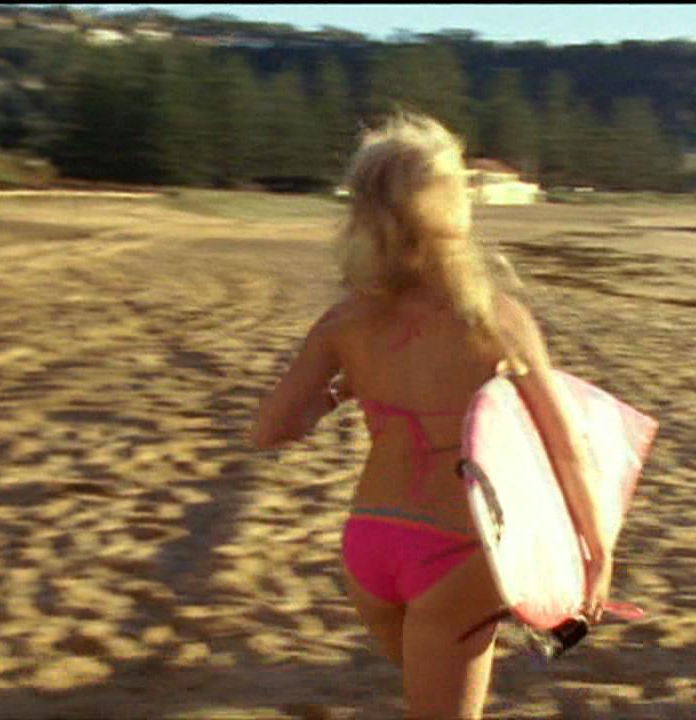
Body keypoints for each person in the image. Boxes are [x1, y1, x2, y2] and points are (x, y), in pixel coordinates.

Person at [251, 113, 613, 719]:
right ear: (451, 205)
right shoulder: (496, 318)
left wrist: (340, 394)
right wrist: (598, 554)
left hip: (369, 546)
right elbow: (566, 447)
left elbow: (270, 430)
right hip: (458, 551)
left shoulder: (344, 321)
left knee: (429, 694)